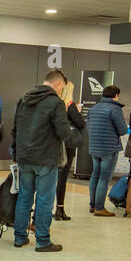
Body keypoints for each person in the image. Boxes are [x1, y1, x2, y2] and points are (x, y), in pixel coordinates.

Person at [10, 69, 82, 251]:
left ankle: (19, 237)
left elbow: (15, 129)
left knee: (24, 197)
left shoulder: (24, 100)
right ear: (58, 84)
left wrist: (16, 155)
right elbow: (64, 133)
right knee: (44, 199)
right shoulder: (55, 103)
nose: (61, 91)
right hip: (46, 159)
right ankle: (42, 241)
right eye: (62, 88)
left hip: (24, 157)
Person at [86, 84, 128, 216]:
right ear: (116, 95)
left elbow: (88, 127)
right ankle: (99, 207)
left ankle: (92, 205)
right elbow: (122, 130)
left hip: (94, 147)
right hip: (109, 149)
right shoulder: (115, 109)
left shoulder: (94, 108)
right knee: (104, 178)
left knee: (95, 175)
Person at [54, 80, 87, 221]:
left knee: (53, 177)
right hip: (67, 145)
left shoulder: (55, 103)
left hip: (55, 144)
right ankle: (60, 209)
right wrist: (77, 112)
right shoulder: (69, 104)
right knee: (62, 178)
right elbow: (80, 123)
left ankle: (52, 208)